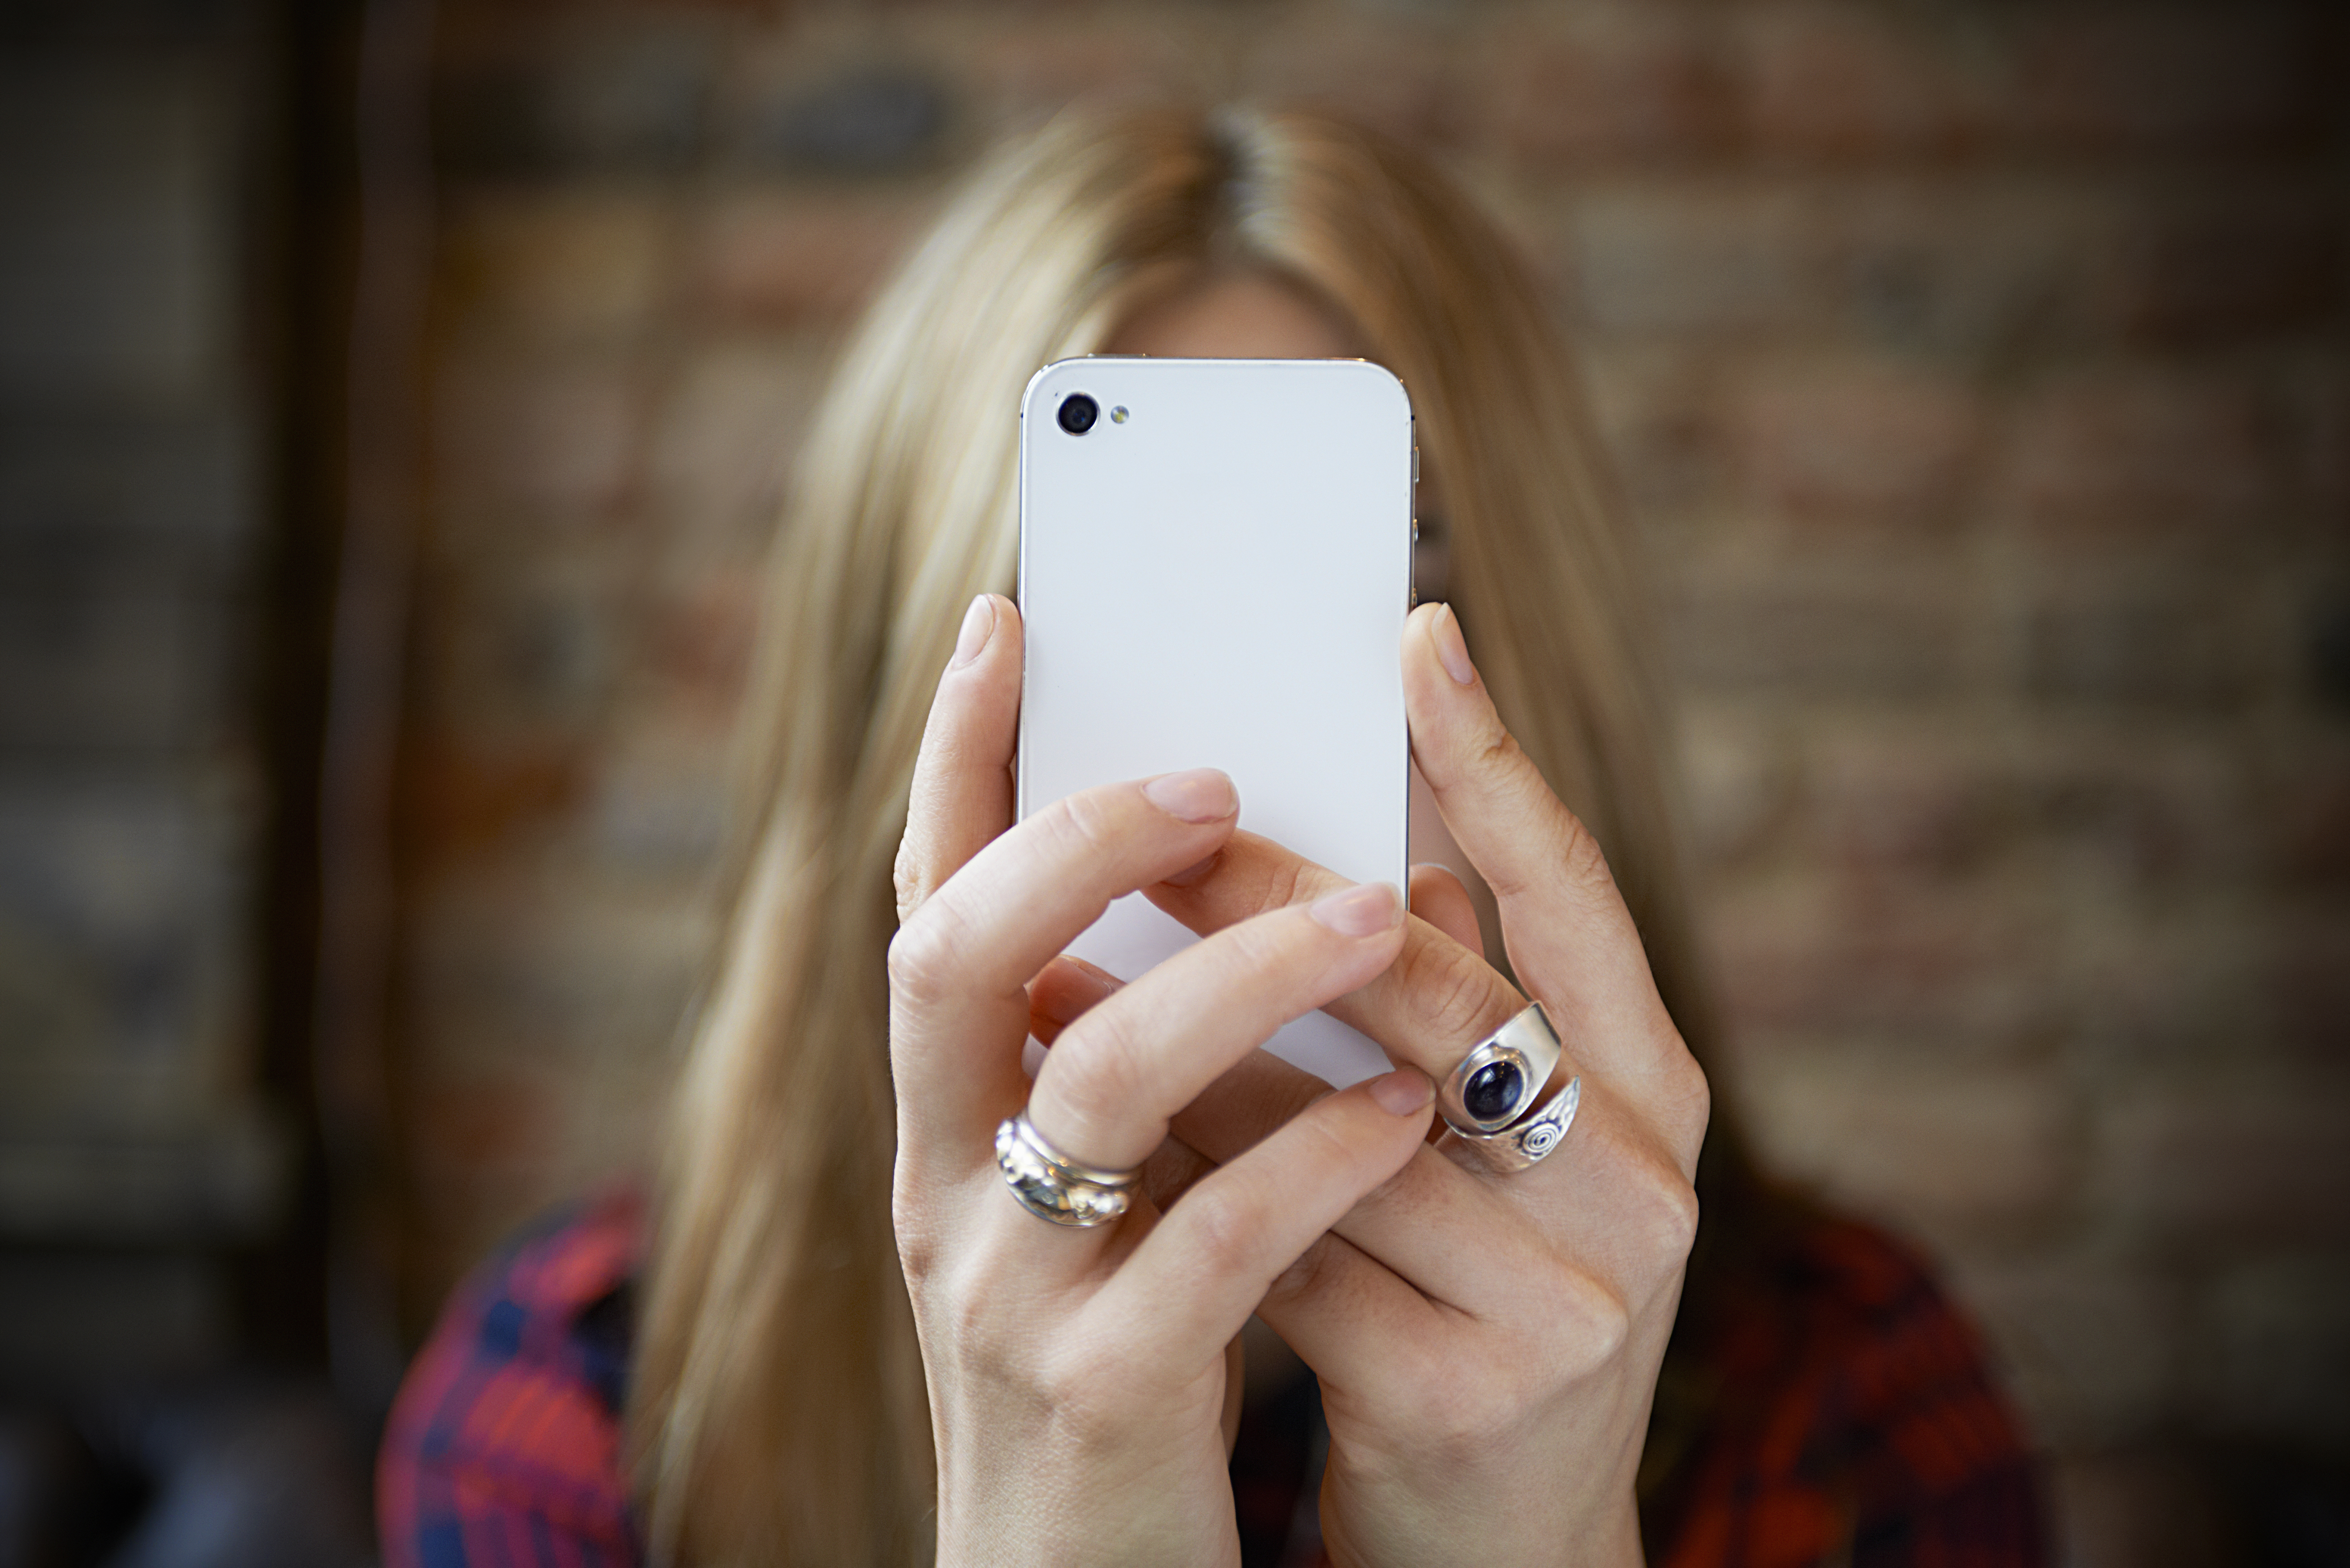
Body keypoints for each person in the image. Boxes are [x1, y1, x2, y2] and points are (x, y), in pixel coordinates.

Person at [379, 104, 2046, 1568]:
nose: (1222, 800)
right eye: (1128, 630)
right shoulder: (582, 1405)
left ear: (1525, 686)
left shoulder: (1847, 1399)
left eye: (1353, 597)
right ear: (906, 723)